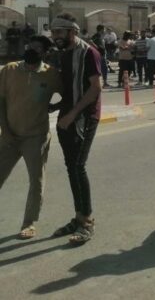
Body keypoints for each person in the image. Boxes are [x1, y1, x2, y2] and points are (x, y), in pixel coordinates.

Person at [0, 36, 61, 240]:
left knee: (36, 180)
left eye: (37, 48)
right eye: (30, 46)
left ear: (45, 53)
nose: (32, 50)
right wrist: (5, 130)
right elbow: (0, 100)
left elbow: (69, 94)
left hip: (36, 137)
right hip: (9, 136)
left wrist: (54, 106)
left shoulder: (51, 74)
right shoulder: (9, 70)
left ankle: (29, 223)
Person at [49, 14, 103, 245]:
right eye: (53, 32)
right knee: (71, 167)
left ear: (73, 32)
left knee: (78, 166)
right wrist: (58, 107)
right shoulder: (64, 54)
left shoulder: (89, 52)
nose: (56, 36)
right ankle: (79, 216)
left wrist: (72, 115)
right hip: (67, 116)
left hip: (84, 118)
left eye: (60, 32)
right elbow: (71, 88)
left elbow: (95, 88)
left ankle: (87, 221)